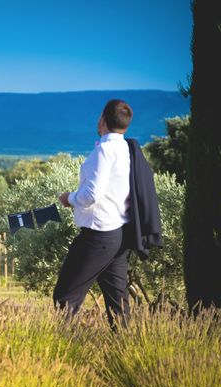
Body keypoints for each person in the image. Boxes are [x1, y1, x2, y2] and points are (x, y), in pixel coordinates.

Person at [54, 99, 133, 329]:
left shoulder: (105, 150)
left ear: (103, 120)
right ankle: (123, 350)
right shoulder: (126, 149)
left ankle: (65, 350)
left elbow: (92, 194)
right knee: (118, 303)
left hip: (98, 234)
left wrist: (69, 198)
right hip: (118, 234)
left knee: (65, 296)